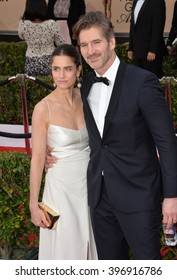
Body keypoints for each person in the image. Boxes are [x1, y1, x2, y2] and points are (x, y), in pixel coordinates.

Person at [47, 11, 177, 260]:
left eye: (96, 42)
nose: (90, 50)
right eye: (84, 45)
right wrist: (48, 149)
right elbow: (81, 131)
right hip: (99, 198)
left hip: (138, 197)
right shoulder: (84, 85)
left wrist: (171, 196)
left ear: (112, 42)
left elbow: (167, 142)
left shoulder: (142, 81)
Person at [29, 43, 97, 260]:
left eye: (67, 68)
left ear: (78, 70)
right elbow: (38, 158)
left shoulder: (87, 98)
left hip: (90, 185)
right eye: (56, 69)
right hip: (59, 189)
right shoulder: (43, 108)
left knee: (91, 240)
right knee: (66, 248)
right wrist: (33, 204)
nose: (61, 75)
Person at [18, 0, 65, 76]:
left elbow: (21, 36)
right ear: (44, 7)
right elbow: (61, 43)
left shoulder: (23, 24)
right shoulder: (51, 24)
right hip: (50, 62)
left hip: (31, 63)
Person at [128, 0, 167, 79]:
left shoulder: (158, 2)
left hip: (151, 54)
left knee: (152, 82)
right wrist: (131, 48)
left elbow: (158, 27)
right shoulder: (135, 2)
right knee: (138, 81)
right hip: (137, 52)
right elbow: (133, 26)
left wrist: (153, 50)